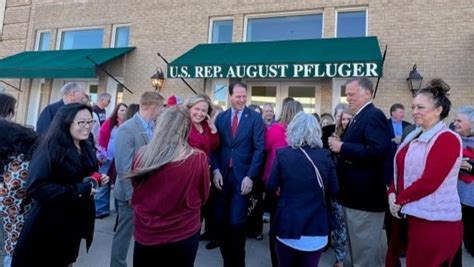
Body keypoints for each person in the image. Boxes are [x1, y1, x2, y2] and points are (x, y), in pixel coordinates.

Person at [12, 103, 109, 267]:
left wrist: (97, 178)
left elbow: (83, 174)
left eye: (90, 122)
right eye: (81, 122)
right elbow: (36, 187)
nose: (87, 127)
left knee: (66, 260)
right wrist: (79, 189)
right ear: (66, 122)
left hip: (73, 223)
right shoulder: (50, 149)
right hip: (48, 225)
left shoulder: (85, 145)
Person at [387, 79, 463, 266]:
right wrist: (391, 191)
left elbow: (430, 181)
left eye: (420, 107)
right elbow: (401, 169)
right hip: (410, 214)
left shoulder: (447, 139)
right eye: (413, 107)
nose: (414, 112)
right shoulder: (414, 134)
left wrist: (399, 199)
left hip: (435, 221)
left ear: (438, 111)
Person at [130, 106, 210, 267]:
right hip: (183, 232)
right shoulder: (197, 158)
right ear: (187, 129)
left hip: (147, 233)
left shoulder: (142, 155)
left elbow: (136, 187)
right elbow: (203, 195)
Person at [328, 77, 392, 267]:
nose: (347, 98)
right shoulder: (360, 115)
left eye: (351, 94)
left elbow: (378, 151)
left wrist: (343, 147)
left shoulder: (374, 115)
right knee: (357, 252)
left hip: (365, 200)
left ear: (367, 93)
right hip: (353, 198)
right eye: (346, 94)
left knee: (365, 255)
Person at [267, 111, 338, 267]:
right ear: (316, 132)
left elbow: (271, 186)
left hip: (288, 223)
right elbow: (334, 189)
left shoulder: (283, 154)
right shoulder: (325, 155)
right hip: (316, 225)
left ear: (292, 130)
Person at [212, 82, 264, 267]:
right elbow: (215, 147)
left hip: (243, 178)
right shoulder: (222, 118)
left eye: (244, 96)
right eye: (238, 96)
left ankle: (238, 263)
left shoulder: (255, 118)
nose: (242, 100)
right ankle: (228, 261)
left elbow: (259, 149)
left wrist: (250, 176)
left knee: (236, 223)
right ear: (230, 96)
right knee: (221, 222)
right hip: (222, 177)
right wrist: (215, 169)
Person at [110, 92, 165, 267]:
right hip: (130, 194)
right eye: (161, 108)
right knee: (124, 234)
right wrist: (131, 196)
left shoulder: (155, 126)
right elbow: (123, 169)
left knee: (147, 235)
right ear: (154, 107)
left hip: (150, 193)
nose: (162, 112)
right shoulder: (127, 129)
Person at [263, 99, 303, 266]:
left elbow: (265, 149)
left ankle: (277, 261)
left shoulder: (275, 130)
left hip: (276, 183)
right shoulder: (302, 131)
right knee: (294, 225)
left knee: (276, 224)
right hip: (296, 184)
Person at [0, 120, 38, 267]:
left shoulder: (20, 164)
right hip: (19, 228)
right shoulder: (22, 156)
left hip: (20, 229)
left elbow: (8, 198)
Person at [186, 94, 220, 250]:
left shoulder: (206, 125)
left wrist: (213, 130)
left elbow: (213, 146)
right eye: (197, 109)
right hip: (188, 174)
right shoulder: (183, 125)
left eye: (203, 110)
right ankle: (188, 238)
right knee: (191, 209)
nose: (199, 113)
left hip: (205, 173)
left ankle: (200, 234)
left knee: (205, 206)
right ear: (189, 108)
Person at [95, 103, 128, 219]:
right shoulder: (109, 123)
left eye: (125, 110)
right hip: (107, 158)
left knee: (119, 184)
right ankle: (101, 209)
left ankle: (119, 209)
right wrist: (101, 153)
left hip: (121, 159)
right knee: (104, 183)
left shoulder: (128, 124)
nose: (123, 112)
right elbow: (102, 138)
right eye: (121, 110)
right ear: (116, 111)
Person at [452, 106, 474, 264]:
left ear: (471, 123)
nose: (455, 123)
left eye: (459, 120)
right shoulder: (453, 139)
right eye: (455, 120)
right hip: (455, 194)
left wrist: (471, 167)